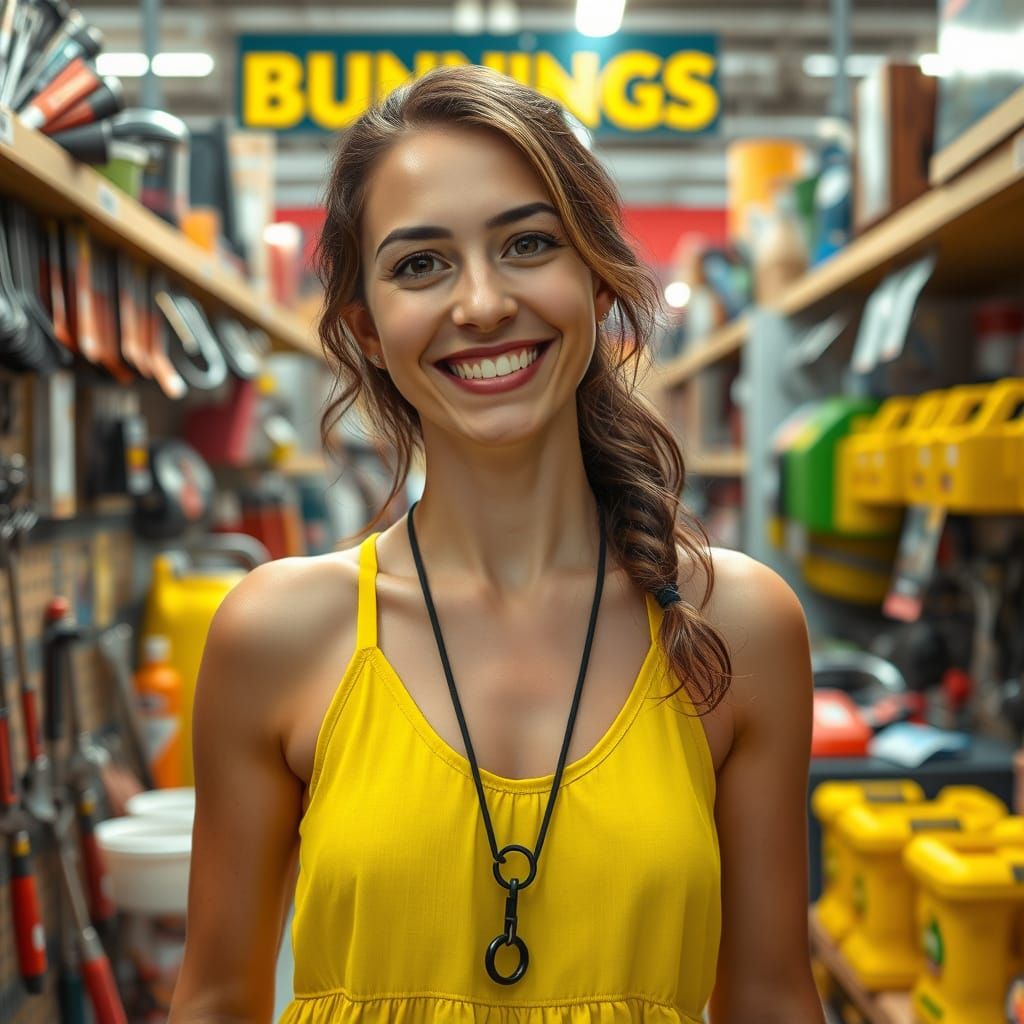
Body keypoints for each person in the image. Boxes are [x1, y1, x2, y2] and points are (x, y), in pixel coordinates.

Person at [169, 65, 824, 1024]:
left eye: (528, 244)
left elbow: (771, 1000)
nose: (480, 303)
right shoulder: (278, 633)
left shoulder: (738, 625)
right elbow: (215, 1002)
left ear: (597, 280)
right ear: (367, 329)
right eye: (420, 264)